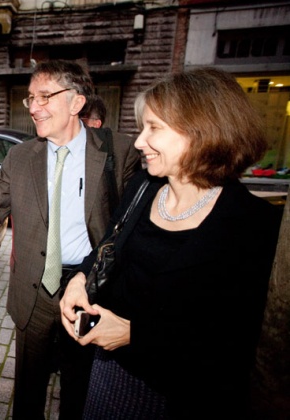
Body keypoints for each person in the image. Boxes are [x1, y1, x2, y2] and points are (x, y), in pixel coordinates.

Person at [0, 60, 141, 418]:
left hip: (89, 289)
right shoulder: (19, 158)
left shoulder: (120, 150)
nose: (34, 107)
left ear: (76, 102)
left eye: (45, 97)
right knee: (29, 388)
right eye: (30, 98)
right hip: (33, 290)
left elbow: (131, 226)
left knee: (78, 386)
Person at [59, 67, 283, 419]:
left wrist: (135, 335)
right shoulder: (142, 189)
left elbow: (233, 343)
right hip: (109, 374)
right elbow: (108, 248)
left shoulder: (254, 225)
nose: (138, 141)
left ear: (202, 133)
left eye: (154, 128)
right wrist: (79, 280)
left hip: (177, 395)